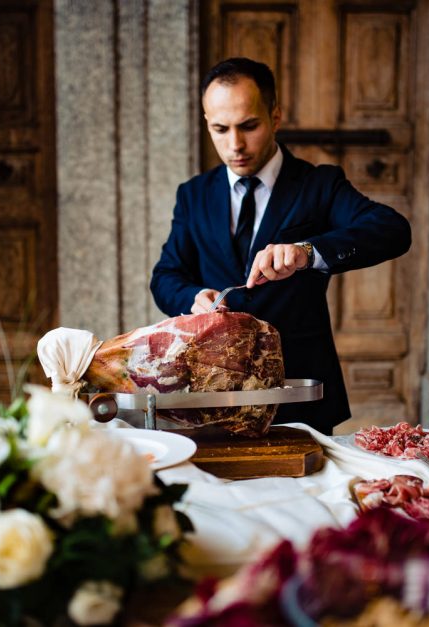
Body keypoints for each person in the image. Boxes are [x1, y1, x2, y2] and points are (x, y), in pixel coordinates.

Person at [150, 57, 411, 435]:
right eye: (220, 129)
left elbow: (393, 229)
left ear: (275, 117)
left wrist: (308, 252)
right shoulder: (193, 195)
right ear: (207, 124)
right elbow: (165, 276)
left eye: (249, 126)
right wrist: (193, 298)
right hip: (211, 390)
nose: (235, 144)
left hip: (300, 387)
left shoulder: (319, 184)